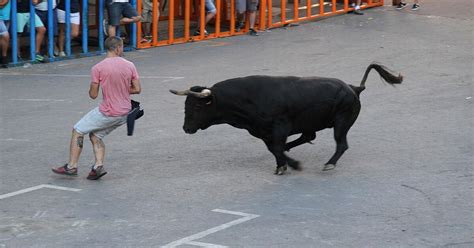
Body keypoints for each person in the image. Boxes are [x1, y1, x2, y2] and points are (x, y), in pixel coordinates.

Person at [52, 36, 141, 180]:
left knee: (78, 130)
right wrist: (122, 88)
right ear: (118, 48)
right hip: (125, 112)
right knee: (95, 135)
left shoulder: (98, 68)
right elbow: (137, 89)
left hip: (108, 111)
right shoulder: (130, 65)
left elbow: (93, 95)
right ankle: (98, 166)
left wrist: (101, 86)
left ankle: (71, 166)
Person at [0, 0, 10, 67]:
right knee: (5, 35)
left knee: (2, 38)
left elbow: (3, 3)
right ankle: (4, 58)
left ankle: (3, 58)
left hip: (6, 17)